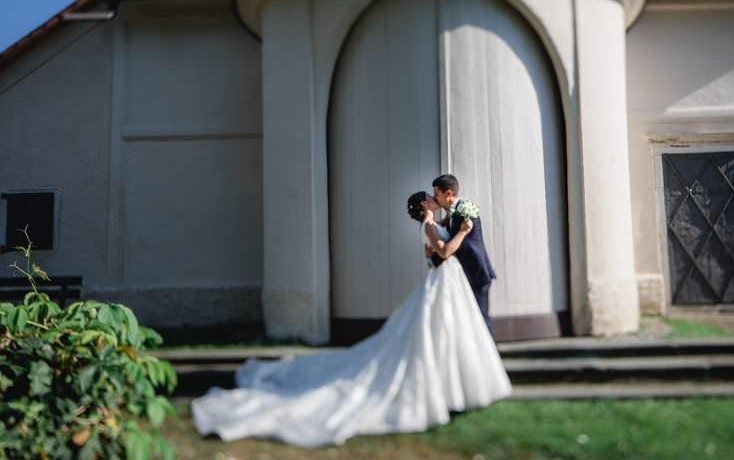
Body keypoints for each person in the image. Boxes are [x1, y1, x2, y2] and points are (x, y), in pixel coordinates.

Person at [191, 191, 511, 447]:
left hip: (447, 286)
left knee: (445, 335)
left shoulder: (435, 220)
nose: (431, 198)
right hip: (442, 284)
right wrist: (463, 233)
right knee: (432, 336)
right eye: (428, 199)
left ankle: (453, 385)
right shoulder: (429, 223)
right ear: (423, 207)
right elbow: (442, 253)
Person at [429, 174, 497, 338]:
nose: (435, 198)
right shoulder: (452, 214)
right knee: (469, 322)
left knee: (481, 320)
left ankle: (492, 359)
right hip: (463, 275)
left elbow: (454, 245)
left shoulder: (465, 211)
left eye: (437, 194)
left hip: (476, 272)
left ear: (449, 194)